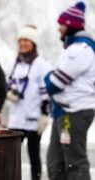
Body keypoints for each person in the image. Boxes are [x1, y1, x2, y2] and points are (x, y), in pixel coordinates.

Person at [45, 1, 95, 180]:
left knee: (75, 163)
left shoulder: (80, 50)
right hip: (64, 112)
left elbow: (54, 83)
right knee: (55, 163)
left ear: (71, 25)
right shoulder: (73, 49)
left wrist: (48, 77)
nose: (59, 29)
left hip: (73, 113)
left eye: (61, 25)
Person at [6, 25, 52, 180]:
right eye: (20, 40)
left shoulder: (42, 64)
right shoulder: (17, 63)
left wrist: (45, 115)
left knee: (33, 156)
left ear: (33, 43)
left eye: (26, 40)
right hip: (15, 119)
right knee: (10, 158)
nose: (22, 43)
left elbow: (48, 93)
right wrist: (9, 92)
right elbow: (9, 83)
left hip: (33, 119)